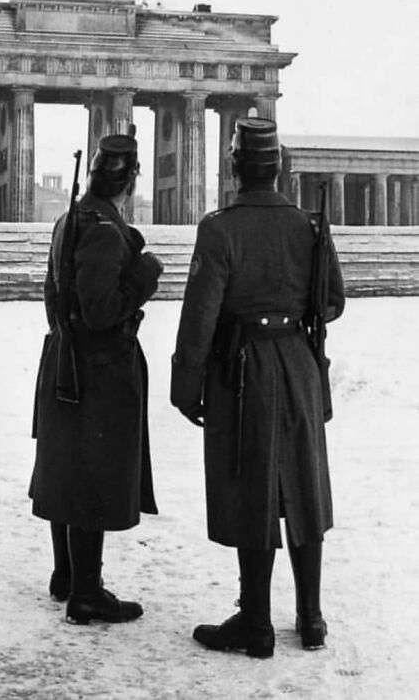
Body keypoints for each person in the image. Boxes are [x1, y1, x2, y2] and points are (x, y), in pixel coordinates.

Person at [170, 117, 345, 658]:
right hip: (299, 366)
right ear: (279, 169)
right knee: (303, 486)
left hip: (242, 370)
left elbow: (201, 316)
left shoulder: (220, 228)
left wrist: (187, 384)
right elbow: (333, 301)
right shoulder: (308, 226)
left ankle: (256, 622)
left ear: (234, 168)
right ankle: (310, 618)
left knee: (252, 488)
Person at [29, 133, 164, 625]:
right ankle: (87, 592)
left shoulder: (70, 220)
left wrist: (63, 336)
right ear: (130, 179)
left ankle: (66, 574)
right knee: (91, 473)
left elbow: (52, 292)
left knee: (66, 464)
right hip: (99, 368)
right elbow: (103, 308)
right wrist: (145, 275)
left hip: (65, 358)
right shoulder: (105, 228)